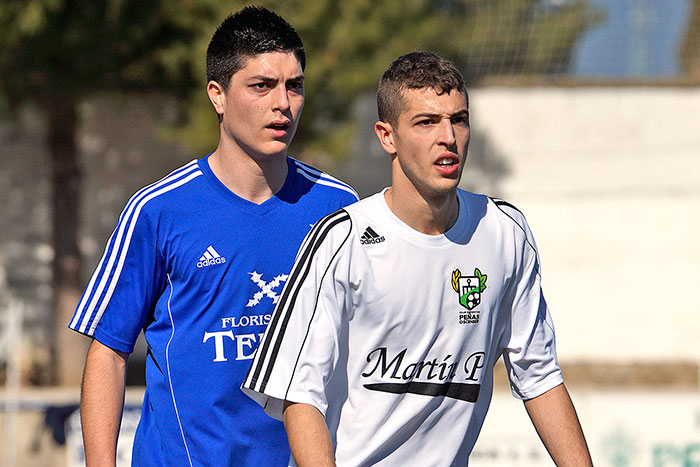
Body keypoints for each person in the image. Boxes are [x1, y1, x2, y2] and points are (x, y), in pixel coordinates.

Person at [242, 51, 593, 466]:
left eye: (458, 120)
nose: (448, 137)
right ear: (387, 137)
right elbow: (300, 397)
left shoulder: (505, 233)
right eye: (426, 122)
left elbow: (540, 377)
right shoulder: (343, 240)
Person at [68, 6, 358, 466]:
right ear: (218, 96)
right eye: (262, 86)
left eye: (294, 86)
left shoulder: (338, 209)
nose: (283, 103)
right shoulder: (158, 210)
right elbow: (109, 352)